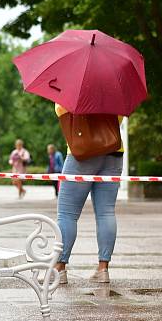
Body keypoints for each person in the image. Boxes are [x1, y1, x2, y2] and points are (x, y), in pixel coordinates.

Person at [54, 104, 123, 284]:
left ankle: (59, 268)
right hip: (113, 151)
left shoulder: (76, 87)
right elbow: (121, 115)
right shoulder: (115, 87)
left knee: (67, 214)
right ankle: (103, 269)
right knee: (106, 212)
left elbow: (61, 109)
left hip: (82, 153)